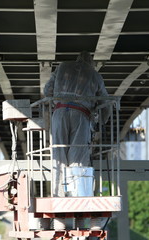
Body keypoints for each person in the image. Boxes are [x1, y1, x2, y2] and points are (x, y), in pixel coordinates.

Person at [44, 51, 110, 198]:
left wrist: (58, 99)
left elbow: (47, 90)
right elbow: (105, 102)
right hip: (81, 115)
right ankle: (76, 194)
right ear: (91, 62)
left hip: (59, 112)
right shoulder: (94, 75)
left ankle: (58, 193)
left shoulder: (62, 67)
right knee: (78, 154)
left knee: (58, 153)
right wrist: (102, 121)